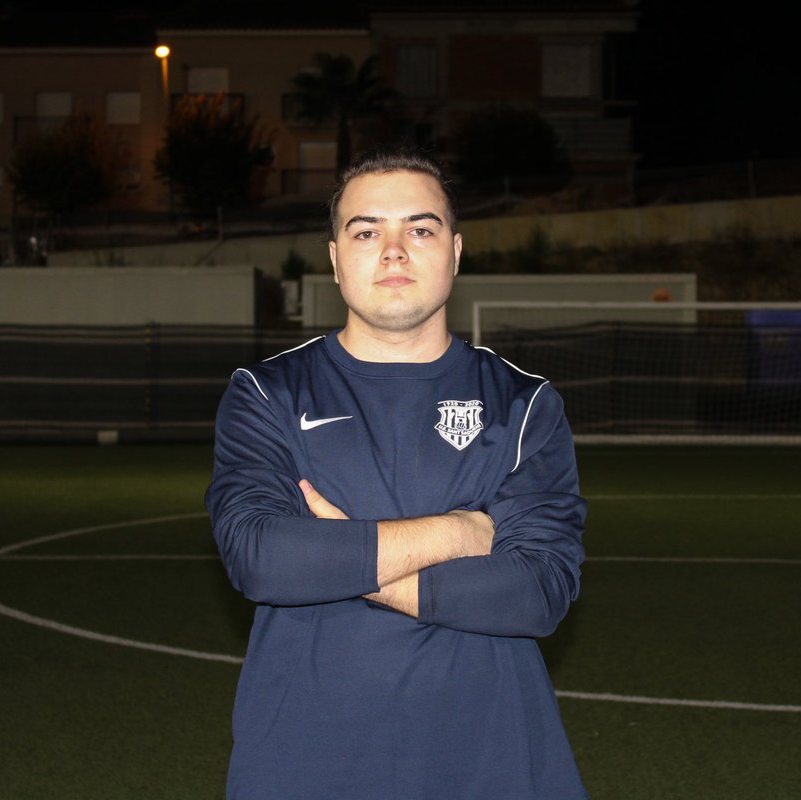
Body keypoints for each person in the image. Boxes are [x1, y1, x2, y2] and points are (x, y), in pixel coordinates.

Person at [205, 148, 587, 799]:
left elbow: (539, 590)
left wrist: (345, 556)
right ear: (334, 257)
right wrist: (462, 532)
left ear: (456, 251)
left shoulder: (523, 404)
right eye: (366, 230)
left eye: (420, 227)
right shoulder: (268, 394)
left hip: (488, 765)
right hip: (304, 765)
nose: (393, 250)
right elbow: (263, 557)